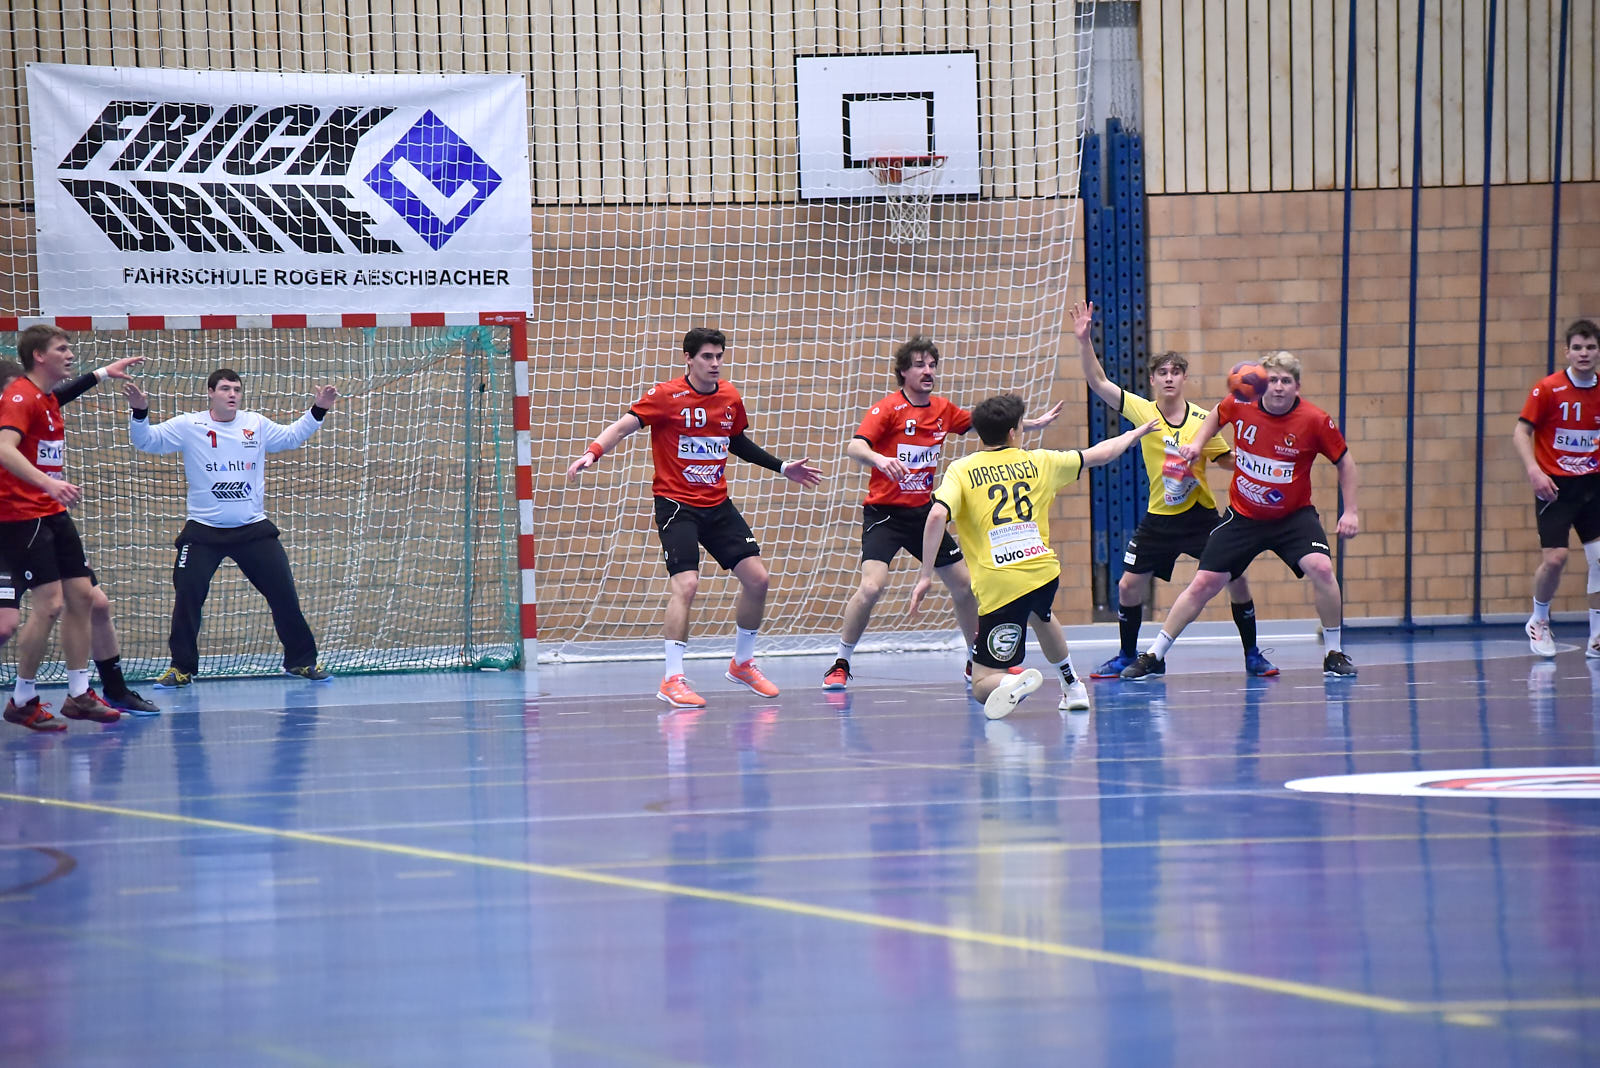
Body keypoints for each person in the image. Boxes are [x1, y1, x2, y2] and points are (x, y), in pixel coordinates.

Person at [566, 327, 823, 709]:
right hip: (677, 505)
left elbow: (736, 442)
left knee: (758, 579)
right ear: (688, 358)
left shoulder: (729, 397)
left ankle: (742, 663)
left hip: (717, 505)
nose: (715, 363)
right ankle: (672, 679)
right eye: (707, 356)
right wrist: (592, 453)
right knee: (686, 585)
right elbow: (622, 427)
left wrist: (783, 467)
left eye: (719, 356)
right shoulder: (665, 396)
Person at [824, 335, 1062, 690]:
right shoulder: (887, 409)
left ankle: (975, 661)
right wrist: (879, 459)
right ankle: (841, 662)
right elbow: (854, 446)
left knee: (964, 586)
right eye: (920, 365)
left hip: (923, 513)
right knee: (872, 587)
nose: (928, 371)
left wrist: (1033, 424)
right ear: (903, 372)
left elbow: (989, 426)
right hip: (885, 514)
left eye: (932, 365)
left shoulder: (942, 409)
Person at [908, 392, 1159, 718]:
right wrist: (1133, 434)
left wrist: (925, 575)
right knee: (1042, 615)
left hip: (1001, 583)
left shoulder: (962, 470)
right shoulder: (1040, 461)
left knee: (980, 682)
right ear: (1013, 432)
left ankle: (1009, 683)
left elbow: (936, 517)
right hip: (1043, 572)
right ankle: (1072, 686)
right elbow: (1099, 454)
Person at [1119, 350, 1360, 679]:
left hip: (1293, 517)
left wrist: (1351, 511)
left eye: (1286, 381)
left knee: (1321, 568)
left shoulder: (1315, 420)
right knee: (1205, 582)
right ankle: (1154, 655)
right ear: (1261, 383)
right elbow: (1215, 416)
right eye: (1272, 380)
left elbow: (1345, 463)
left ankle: (1333, 652)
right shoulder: (1241, 402)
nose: (1278, 387)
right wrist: (1196, 445)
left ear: (1297, 387)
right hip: (1243, 516)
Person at [1071, 301, 1276, 678]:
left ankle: (1252, 654)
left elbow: (1224, 460)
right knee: (1128, 586)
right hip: (1160, 518)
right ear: (1152, 380)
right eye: (1162, 372)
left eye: (1176, 372)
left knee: (1237, 579)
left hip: (1201, 517)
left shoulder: (1202, 419)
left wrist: (1256, 459)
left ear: (1184, 379)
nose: (1169, 378)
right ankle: (1126, 655)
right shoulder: (1142, 410)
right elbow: (1099, 383)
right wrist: (1084, 341)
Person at [124, 368, 338, 687]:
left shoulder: (256, 424)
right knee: (187, 597)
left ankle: (301, 661)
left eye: (236, 389)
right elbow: (146, 441)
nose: (232, 394)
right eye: (225, 388)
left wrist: (319, 408)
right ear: (211, 393)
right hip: (203, 531)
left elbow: (292, 436)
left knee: (284, 595)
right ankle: (181, 668)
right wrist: (140, 411)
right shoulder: (189, 425)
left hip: (252, 529)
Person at [0, 358, 160, 721]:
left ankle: (107, 690)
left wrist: (102, 373)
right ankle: (25, 698)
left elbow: (59, 395)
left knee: (94, 602)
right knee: (8, 624)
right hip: (11, 531)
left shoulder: (33, 406)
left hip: (43, 521)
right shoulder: (9, 427)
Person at [1514, 318, 1600, 657]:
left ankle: (1597, 637)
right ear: (1567, 352)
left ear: (1598, 352)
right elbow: (1521, 432)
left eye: (1590, 347)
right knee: (1556, 559)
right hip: (1554, 487)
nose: (1584, 353)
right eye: (1577, 347)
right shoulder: (1548, 389)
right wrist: (1533, 471)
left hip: (1592, 485)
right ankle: (1539, 619)